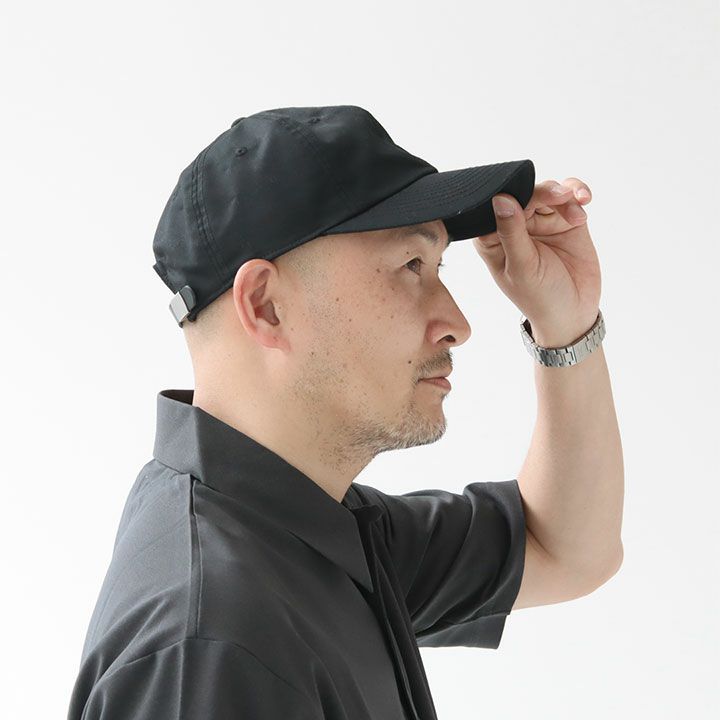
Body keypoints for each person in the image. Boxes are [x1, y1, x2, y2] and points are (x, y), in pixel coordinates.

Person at [67, 105, 622, 719]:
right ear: (266, 305)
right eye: (411, 266)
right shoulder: (212, 647)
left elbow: (565, 550)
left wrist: (565, 325)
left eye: (438, 267)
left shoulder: (309, 528)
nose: (457, 324)